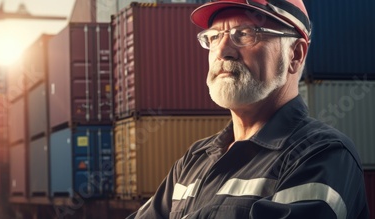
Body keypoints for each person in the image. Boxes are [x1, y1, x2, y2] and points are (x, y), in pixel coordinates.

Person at [127, 0, 370, 218]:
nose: (222, 51)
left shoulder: (323, 154)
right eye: (213, 37)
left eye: (244, 34)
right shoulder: (194, 159)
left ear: (295, 55)